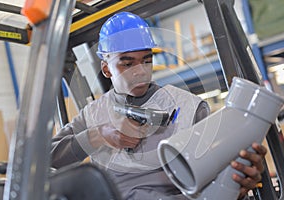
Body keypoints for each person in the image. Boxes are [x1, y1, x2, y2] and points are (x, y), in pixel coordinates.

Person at [51, 12, 267, 200]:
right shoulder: (93, 114)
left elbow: (219, 181)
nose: (140, 70)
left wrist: (236, 184)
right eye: (127, 63)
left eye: (146, 60)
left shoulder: (189, 107)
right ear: (106, 69)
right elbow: (47, 158)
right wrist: (99, 135)